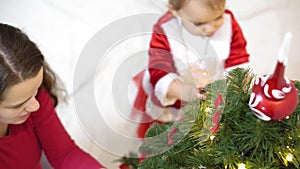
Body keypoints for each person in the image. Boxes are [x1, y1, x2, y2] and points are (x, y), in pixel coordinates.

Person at [132, 0, 251, 138]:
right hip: (177, 100)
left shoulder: (228, 23)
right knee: (171, 140)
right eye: (199, 24)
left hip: (218, 95)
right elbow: (159, 71)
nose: (211, 28)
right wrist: (187, 92)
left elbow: (238, 59)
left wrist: (235, 86)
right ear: (175, 11)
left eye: (218, 17)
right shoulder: (166, 29)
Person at [0, 23, 105, 169]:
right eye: (17, 105)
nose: (35, 106)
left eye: (36, 91)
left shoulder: (32, 98)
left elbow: (64, 153)